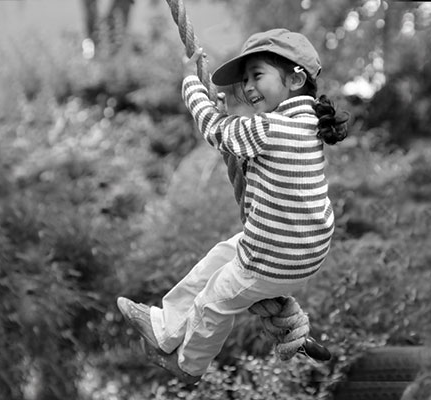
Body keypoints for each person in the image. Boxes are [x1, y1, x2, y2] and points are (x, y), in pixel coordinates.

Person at [117, 28, 349, 384]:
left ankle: (189, 364)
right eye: (246, 80)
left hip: (272, 255)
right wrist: (233, 111)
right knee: (218, 259)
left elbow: (215, 130)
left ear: (295, 77)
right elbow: (249, 138)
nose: (249, 86)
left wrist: (190, 85)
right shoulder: (309, 125)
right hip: (303, 251)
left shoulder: (269, 128)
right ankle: (165, 325)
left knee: (214, 300)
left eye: (257, 75)